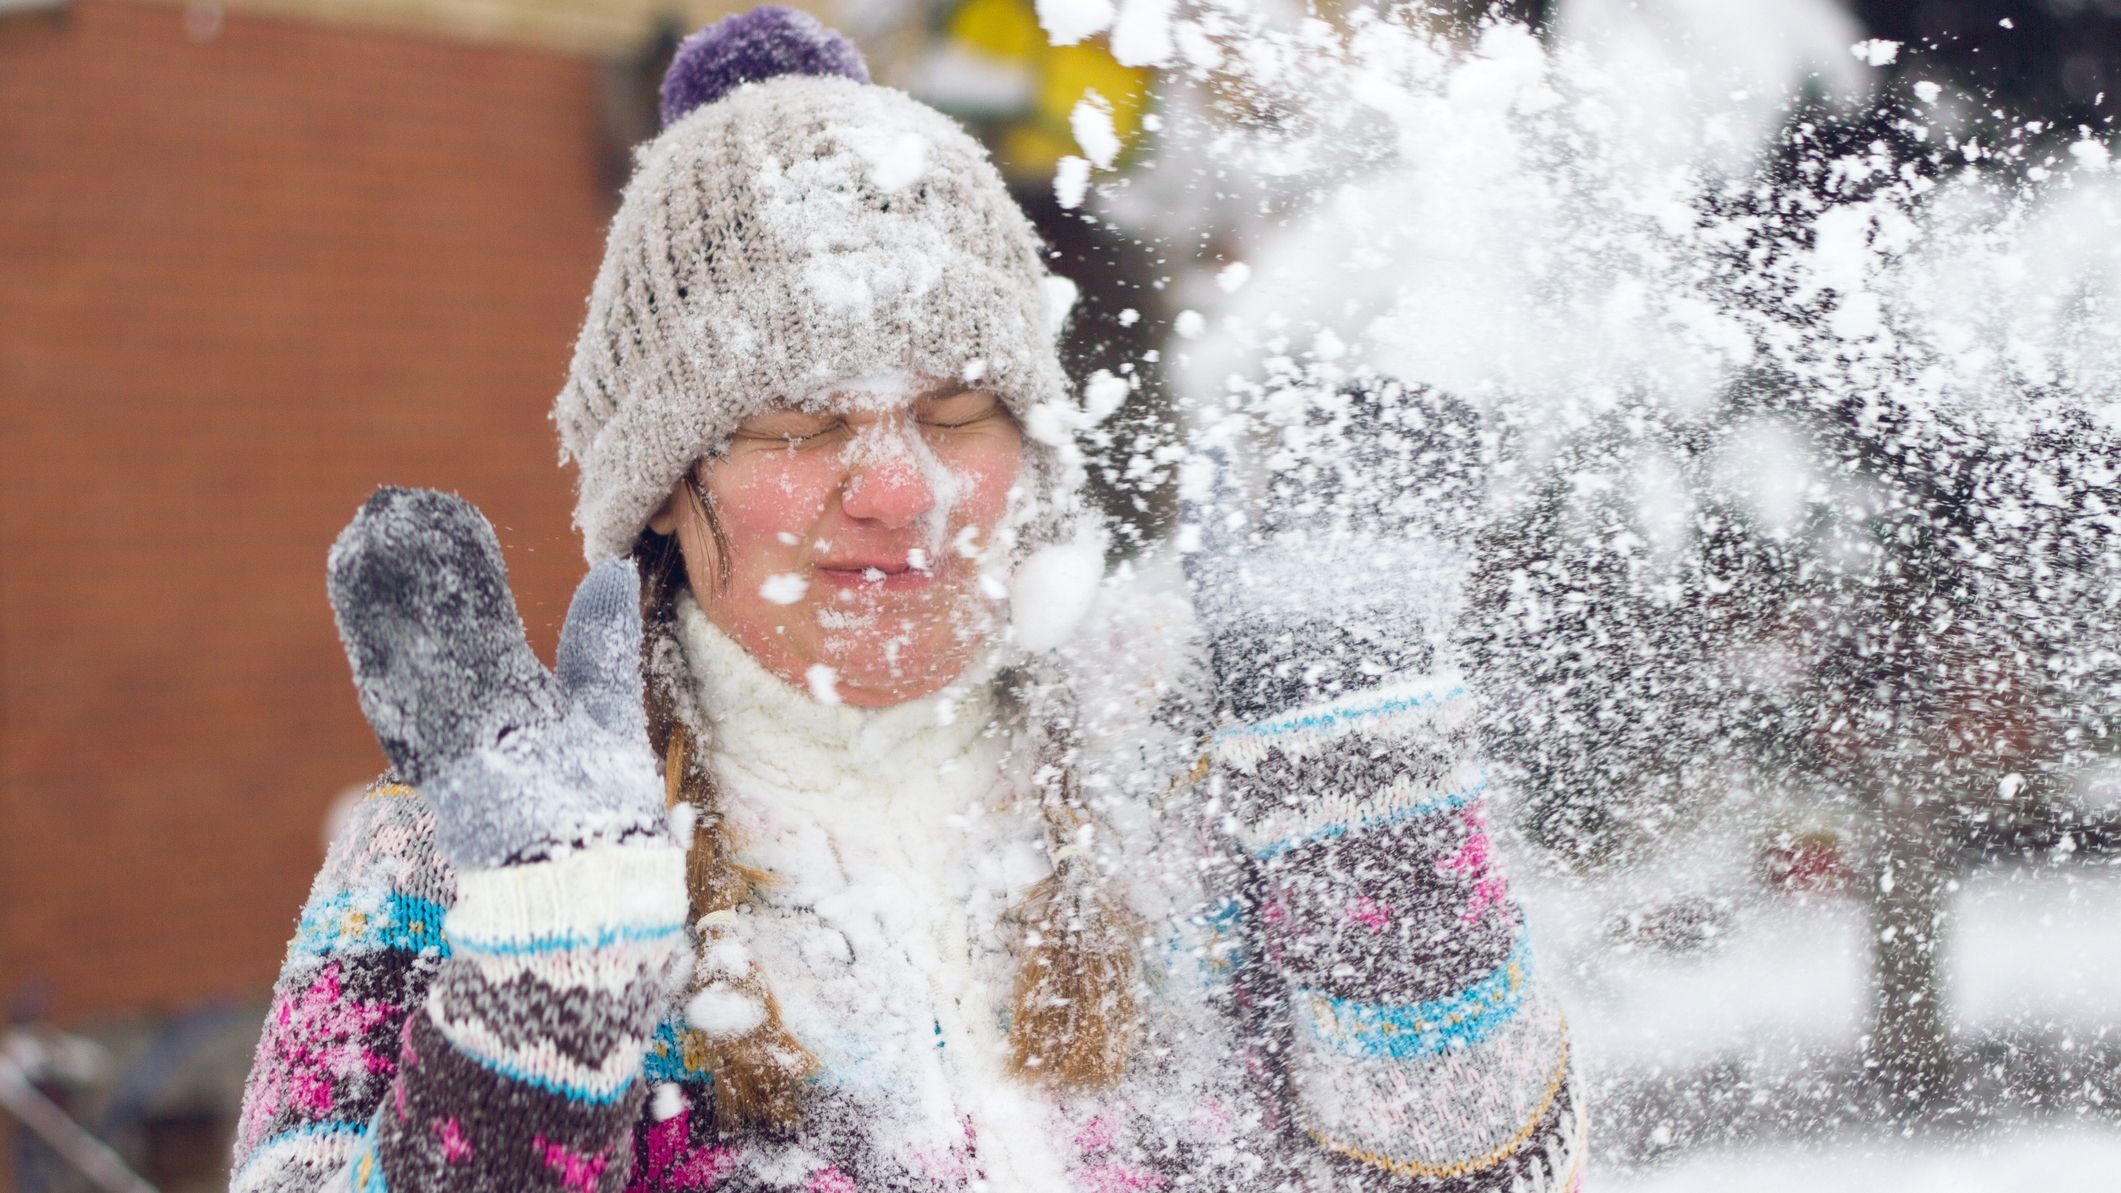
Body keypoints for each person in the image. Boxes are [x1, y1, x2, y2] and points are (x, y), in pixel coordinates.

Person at [228, 8, 1585, 1191]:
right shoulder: (466, 861)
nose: (900, 488)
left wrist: (1370, 792)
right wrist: (538, 999)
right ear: (659, 481)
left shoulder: (1200, 781)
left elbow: (1498, 1173)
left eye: (955, 409)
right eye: (800, 423)